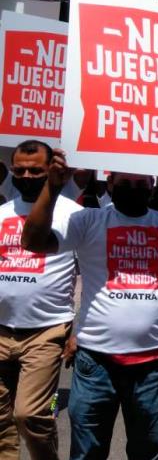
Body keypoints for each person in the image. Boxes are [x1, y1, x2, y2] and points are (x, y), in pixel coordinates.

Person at [21, 150, 158, 460]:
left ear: (152, 187)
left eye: (141, 184)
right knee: (86, 452)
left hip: (152, 366)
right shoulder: (87, 221)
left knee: (146, 450)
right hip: (95, 364)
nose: (133, 189)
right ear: (110, 184)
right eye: (125, 183)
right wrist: (53, 187)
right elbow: (33, 242)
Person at [0, 140, 82, 460]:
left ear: (51, 170)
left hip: (47, 331)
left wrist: (79, 330)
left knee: (32, 414)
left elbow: (93, 274)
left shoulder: (74, 215)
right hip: (2, 328)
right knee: (2, 418)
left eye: (36, 170)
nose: (27, 175)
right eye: (19, 170)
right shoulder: (3, 213)